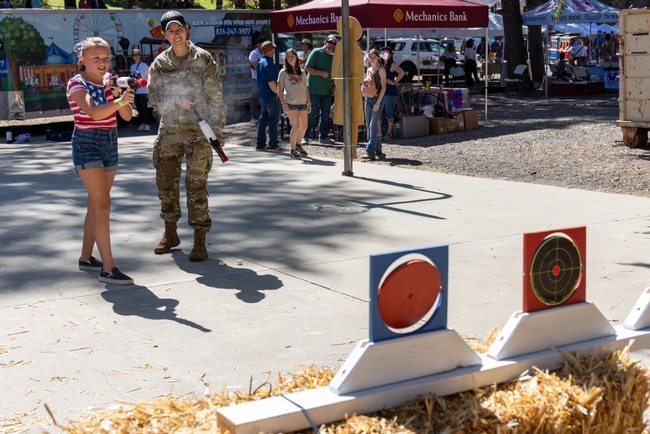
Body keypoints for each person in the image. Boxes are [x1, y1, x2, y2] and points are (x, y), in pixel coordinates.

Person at [148, 10, 227, 262]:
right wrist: (175, 101)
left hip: (199, 133)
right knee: (165, 185)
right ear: (165, 35)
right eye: (170, 31)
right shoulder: (160, 63)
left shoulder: (203, 59)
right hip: (170, 133)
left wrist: (218, 129)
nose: (176, 34)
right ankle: (170, 234)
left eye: (179, 29)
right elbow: (154, 98)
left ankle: (200, 241)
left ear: (186, 30)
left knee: (196, 187)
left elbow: (216, 96)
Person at [66, 37, 136, 285]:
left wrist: (123, 97)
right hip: (86, 144)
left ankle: (86, 258)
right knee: (103, 204)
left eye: (106, 58)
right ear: (82, 60)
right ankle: (109, 268)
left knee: (96, 205)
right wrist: (117, 100)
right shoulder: (76, 84)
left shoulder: (110, 83)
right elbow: (94, 113)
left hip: (109, 143)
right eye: (96, 58)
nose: (103, 62)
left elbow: (126, 117)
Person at [278, 48, 310, 159]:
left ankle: (298, 144)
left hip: (302, 102)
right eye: (288, 56)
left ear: (296, 57)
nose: (290, 58)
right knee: (295, 127)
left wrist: (309, 102)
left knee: (304, 126)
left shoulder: (301, 72)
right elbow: (279, 89)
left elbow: (306, 88)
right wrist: (283, 103)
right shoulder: (283, 72)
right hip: (291, 102)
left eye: (292, 56)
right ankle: (292, 150)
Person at [304, 35, 336, 145]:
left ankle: (323, 137)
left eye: (333, 43)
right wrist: (321, 73)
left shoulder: (333, 57)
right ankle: (305, 136)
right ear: (324, 42)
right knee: (310, 114)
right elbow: (307, 68)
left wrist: (333, 86)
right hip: (313, 90)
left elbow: (333, 74)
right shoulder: (316, 52)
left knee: (325, 115)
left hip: (327, 92)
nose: (331, 45)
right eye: (330, 42)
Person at [255, 41, 282, 151]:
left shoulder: (261, 62)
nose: (274, 50)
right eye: (273, 49)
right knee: (273, 120)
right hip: (271, 96)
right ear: (271, 50)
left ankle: (260, 144)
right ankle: (273, 144)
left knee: (263, 120)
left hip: (262, 96)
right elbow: (271, 82)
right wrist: (279, 94)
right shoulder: (269, 64)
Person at [360, 48, 386, 161]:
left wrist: (378, 102)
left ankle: (369, 152)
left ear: (378, 58)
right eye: (370, 56)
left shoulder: (381, 70)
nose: (371, 58)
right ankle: (378, 146)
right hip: (368, 99)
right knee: (369, 124)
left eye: (373, 57)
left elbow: (384, 87)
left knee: (373, 125)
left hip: (377, 99)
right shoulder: (369, 69)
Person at [380, 46, 404, 142]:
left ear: (390, 55)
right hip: (381, 90)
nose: (385, 55)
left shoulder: (392, 65)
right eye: (383, 53)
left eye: (387, 53)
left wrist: (394, 82)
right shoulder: (380, 64)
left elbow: (402, 72)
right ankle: (380, 132)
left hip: (389, 90)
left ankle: (389, 133)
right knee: (379, 111)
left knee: (389, 111)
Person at [130, 48, 151, 132]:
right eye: (134, 55)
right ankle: (142, 123)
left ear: (140, 56)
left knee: (144, 107)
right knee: (138, 108)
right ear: (132, 57)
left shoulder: (144, 66)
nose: (136, 56)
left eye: (137, 54)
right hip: (136, 90)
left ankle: (147, 124)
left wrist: (148, 87)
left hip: (143, 90)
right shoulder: (132, 67)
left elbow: (148, 77)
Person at [248, 37, 265, 124]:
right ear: (259, 45)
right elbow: (255, 66)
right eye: (263, 44)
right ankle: (253, 117)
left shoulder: (266, 52)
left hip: (265, 79)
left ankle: (264, 116)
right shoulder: (253, 54)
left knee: (264, 97)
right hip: (257, 79)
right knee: (255, 97)